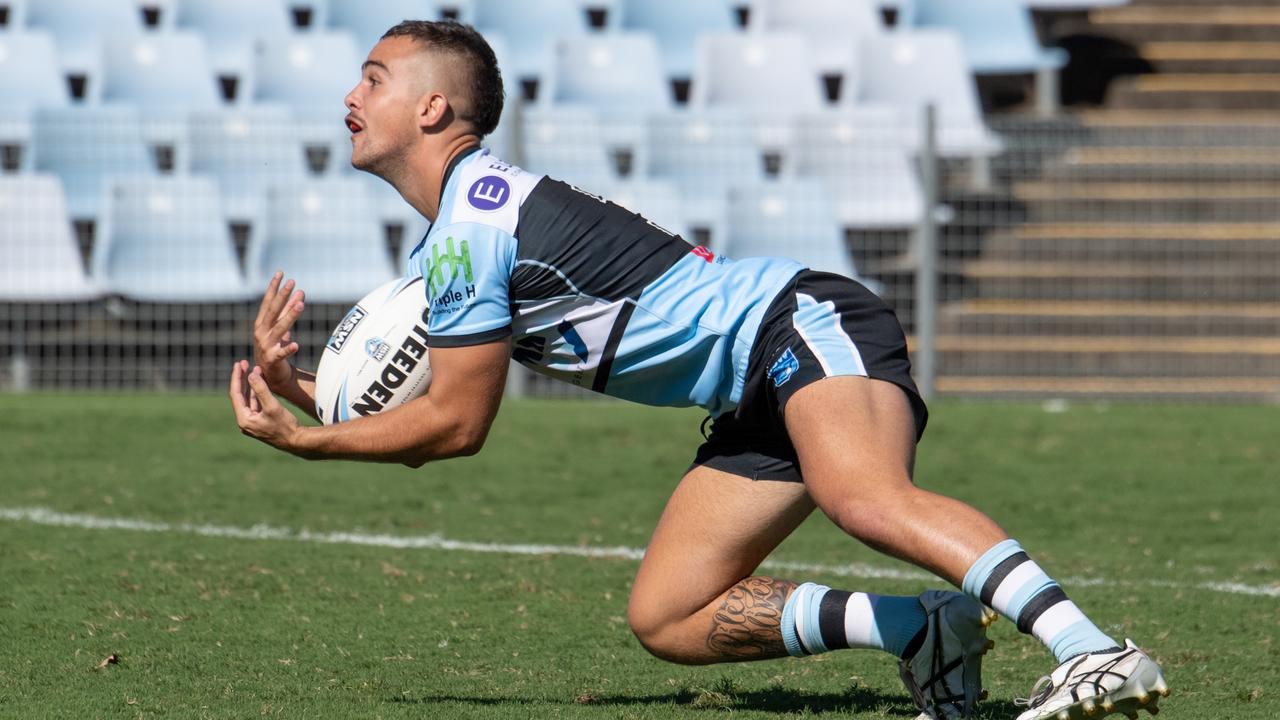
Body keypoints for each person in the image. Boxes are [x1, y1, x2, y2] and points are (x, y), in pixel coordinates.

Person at [229, 20, 1168, 720]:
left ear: (432, 108)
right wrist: (309, 394)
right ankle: (923, 633)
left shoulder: (474, 229)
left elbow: (456, 429)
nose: (351, 99)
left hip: (799, 323)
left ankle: (1093, 650)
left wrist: (312, 447)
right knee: (671, 615)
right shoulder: (460, 235)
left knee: (864, 498)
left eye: (373, 78)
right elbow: (438, 396)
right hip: (751, 389)